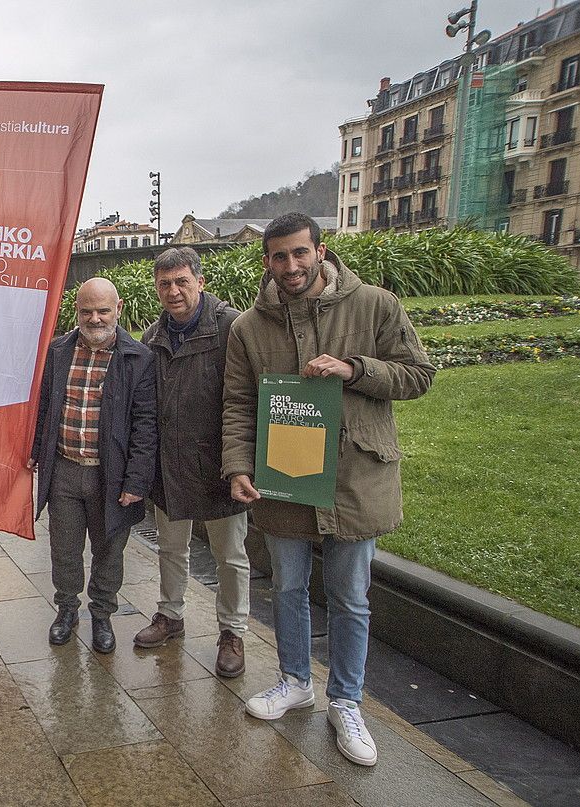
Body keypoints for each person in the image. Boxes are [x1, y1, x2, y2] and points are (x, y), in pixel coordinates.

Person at [223, 212, 435, 767]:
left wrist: (354, 369)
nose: (290, 266)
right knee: (288, 588)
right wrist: (237, 465)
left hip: (354, 478)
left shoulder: (376, 305)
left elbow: (418, 374)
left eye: (299, 253)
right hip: (285, 479)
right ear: (266, 260)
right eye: (278, 256)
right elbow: (240, 404)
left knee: (349, 596)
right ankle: (295, 680)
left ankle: (346, 700)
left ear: (320, 250)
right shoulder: (249, 327)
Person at [133, 247, 251, 678]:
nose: (173, 291)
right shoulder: (152, 337)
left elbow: (248, 397)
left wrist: (243, 460)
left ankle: (233, 632)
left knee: (230, 555)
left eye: (182, 281)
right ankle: (170, 614)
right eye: (164, 283)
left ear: (200, 281)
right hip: (170, 464)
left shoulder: (232, 327)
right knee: (171, 547)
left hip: (221, 464)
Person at [29, 277, 157, 653]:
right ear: (77, 313)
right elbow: (45, 410)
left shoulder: (138, 358)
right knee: (64, 550)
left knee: (108, 552)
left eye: (103, 310)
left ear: (118, 309)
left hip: (111, 475)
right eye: (87, 311)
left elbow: (145, 425)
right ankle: (66, 610)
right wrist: (36, 451)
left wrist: (135, 480)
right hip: (65, 470)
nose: (96, 319)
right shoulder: (57, 352)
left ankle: (102, 615)